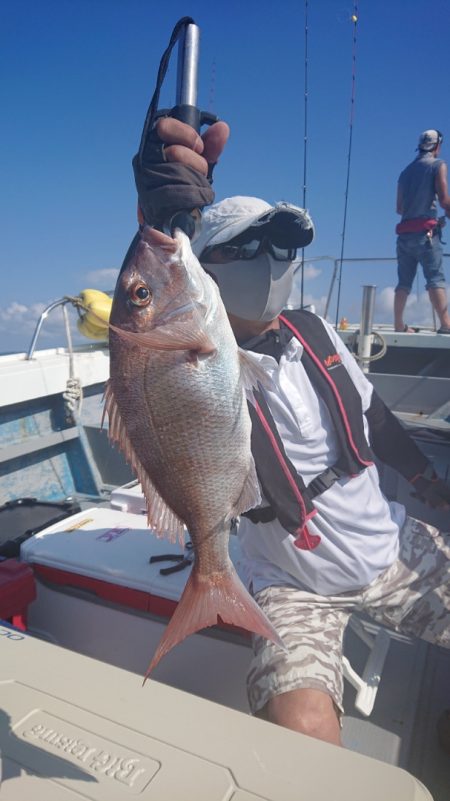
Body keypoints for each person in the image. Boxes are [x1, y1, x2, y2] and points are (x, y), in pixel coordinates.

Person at [130, 116, 450, 746]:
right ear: (206, 266)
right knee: (300, 735)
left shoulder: (316, 330)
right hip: (291, 587)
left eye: (282, 247)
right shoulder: (186, 349)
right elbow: (152, 315)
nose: (273, 262)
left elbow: (374, 419)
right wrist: (157, 214)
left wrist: (425, 479)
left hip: (391, 547)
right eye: (250, 247)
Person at [395, 129, 450, 334]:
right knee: (435, 278)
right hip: (426, 236)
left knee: (404, 282)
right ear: (437, 146)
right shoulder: (438, 165)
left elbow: (399, 208)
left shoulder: (406, 172)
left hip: (404, 235)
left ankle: (399, 324)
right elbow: (445, 200)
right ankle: (446, 324)